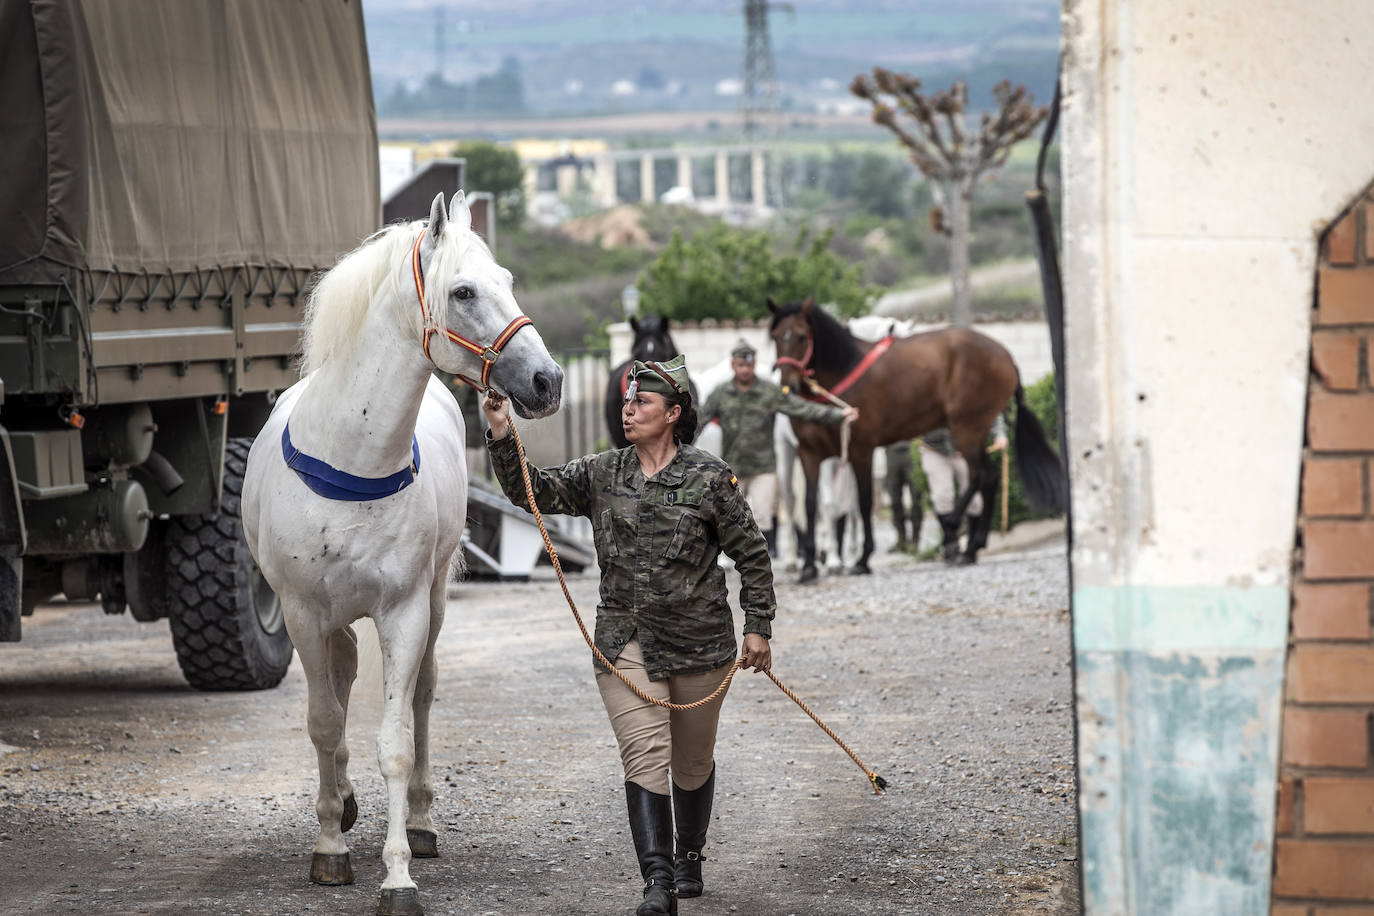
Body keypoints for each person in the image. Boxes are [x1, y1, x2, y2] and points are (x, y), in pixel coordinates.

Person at [482, 354, 776, 916]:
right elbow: (532, 492)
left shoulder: (709, 478)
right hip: (625, 643)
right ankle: (657, 883)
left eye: (642, 402)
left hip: (701, 645)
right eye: (626, 400)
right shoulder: (601, 472)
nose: (629, 409)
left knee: (692, 762)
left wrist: (758, 626)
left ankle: (689, 855)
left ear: (673, 414)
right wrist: (500, 428)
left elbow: (753, 556)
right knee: (645, 755)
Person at [701, 339, 858, 554]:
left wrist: (838, 414)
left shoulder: (769, 391)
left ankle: (760, 561)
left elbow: (801, 408)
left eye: (749, 365)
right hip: (733, 469)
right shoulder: (721, 393)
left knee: (764, 517)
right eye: (740, 365)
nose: (745, 370)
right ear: (733, 365)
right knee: (728, 515)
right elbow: (700, 420)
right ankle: (730, 558)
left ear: (754, 365)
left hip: (763, 467)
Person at [918, 416, 1007, 564]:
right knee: (942, 496)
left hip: (965, 447)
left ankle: (972, 548)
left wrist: (999, 433)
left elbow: (989, 405)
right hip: (933, 448)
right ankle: (951, 544)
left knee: (975, 501)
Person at [884, 440, 920, 551]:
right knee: (894, 499)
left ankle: (915, 540)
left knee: (916, 498)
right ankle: (901, 539)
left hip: (912, 449)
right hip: (892, 452)